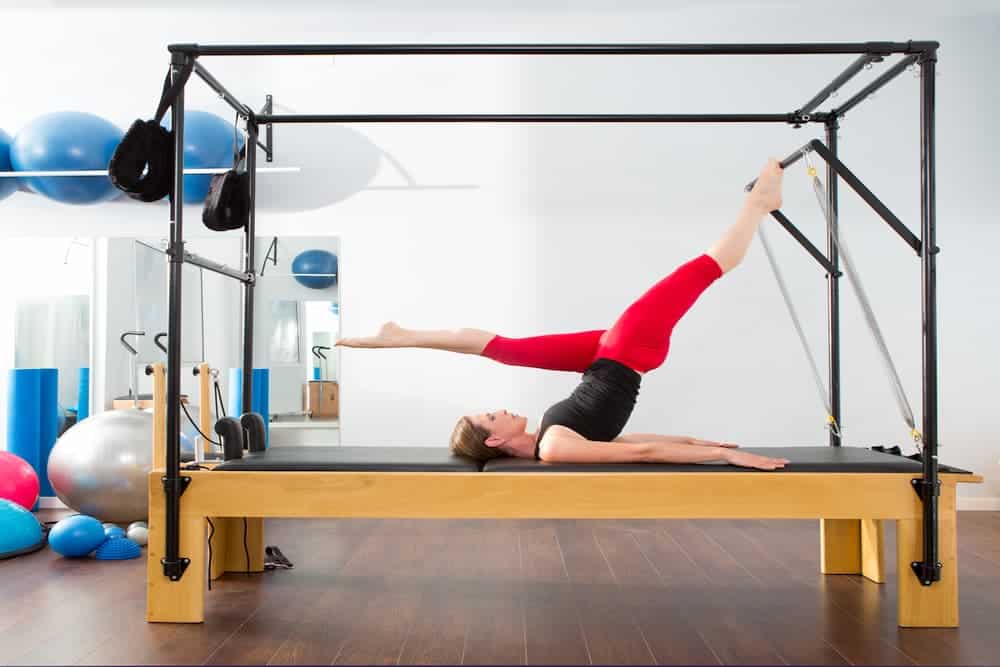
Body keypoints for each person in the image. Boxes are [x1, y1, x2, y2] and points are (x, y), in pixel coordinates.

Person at [337, 159, 791, 470]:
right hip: (623, 353)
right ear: (495, 440)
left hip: (606, 357)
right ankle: (757, 206)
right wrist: (723, 456)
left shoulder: (549, 438)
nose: (499, 409)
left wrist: (698, 442)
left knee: (503, 350)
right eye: (491, 417)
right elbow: (639, 451)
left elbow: (629, 442)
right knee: (704, 269)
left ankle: (403, 335)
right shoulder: (554, 446)